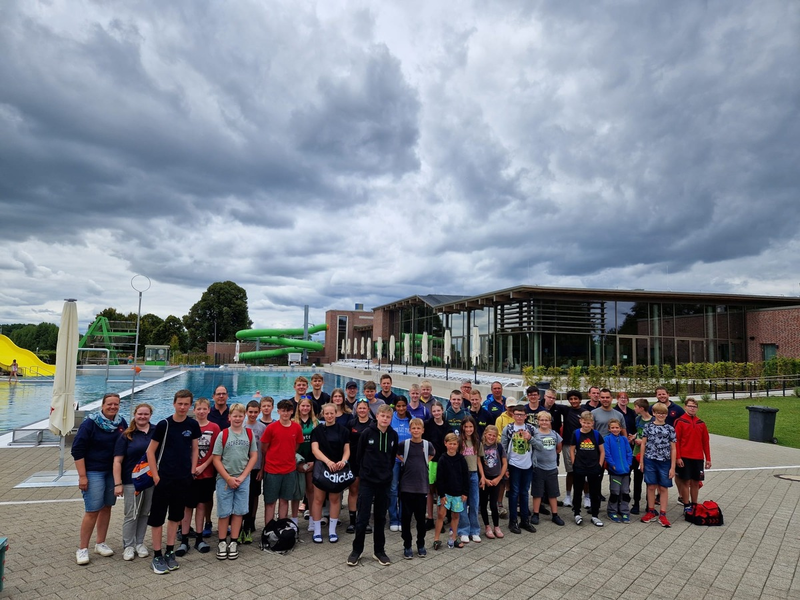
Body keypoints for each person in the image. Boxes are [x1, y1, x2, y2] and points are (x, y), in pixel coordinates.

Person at [146, 389, 201, 574]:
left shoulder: (192, 425)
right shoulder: (164, 425)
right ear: (174, 404)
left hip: (182, 478)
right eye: (180, 404)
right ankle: (157, 555)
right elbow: (150, 452)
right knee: (157, 518)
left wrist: (192, 470)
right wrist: (155, 475)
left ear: (190, 405)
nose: (183, 407)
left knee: (175, 517)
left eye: (186, 404)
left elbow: (195, 449)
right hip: (164, 478)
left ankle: (170, 551)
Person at [72, 392, 128, 565]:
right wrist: (82, 476)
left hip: (112, 472)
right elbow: (77, 450)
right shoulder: (90, 423)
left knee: (106, 507)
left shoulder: (121, 423)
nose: (113, 407)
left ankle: (100, 543)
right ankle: (82, 548)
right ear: (102, 405)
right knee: (92, 510)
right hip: (93, 471)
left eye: (116, 404)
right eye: (109, 404)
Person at [347, 405, 398, 567]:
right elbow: (359, 456)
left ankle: (379, 551)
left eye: (388, 417)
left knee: (381, 518)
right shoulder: (367, 433)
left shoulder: (393, 435)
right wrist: (366, 473)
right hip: (368, 482)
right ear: (377, 416)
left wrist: (386, 474)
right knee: (362, 518)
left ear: (391, 419)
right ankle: (357, 550)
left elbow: (391, 458)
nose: (385, 419)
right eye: (382, 415)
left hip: (384, 482)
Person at [212, 403, 258, 560]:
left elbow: (253, 456)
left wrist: (243, 476)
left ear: (244, 417)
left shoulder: (249, 434)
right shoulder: (223, 435)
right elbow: (216, 459)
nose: (237, 418)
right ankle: (222, 542)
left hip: (243, 479)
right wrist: (228, 478)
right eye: (235, 416)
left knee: (239, 512)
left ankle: (233, 541)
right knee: (224, 512)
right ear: (229, 417)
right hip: (225, 479)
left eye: (240, 416)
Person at [113, 403, 155, 561]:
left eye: (146, 414)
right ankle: (128, 545)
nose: (143, 417)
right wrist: (118, 484)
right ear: (135, 415)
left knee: (145, 513)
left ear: (150, 415)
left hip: (150, 480)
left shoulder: (156, 431)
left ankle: (139, 543)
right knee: (131, 514)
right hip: (131, 480)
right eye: (140, 414)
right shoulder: (126, 435)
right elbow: (117, 461)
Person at [177, 397, 219, 555]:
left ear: (209, 410)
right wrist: (191, 468)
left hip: (206, 473)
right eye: (198, 409)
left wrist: (202, 466)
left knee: (202, 506)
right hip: (189, 474)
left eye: (204, 409)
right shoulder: (188, 426)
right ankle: (185, 539)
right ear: (194, 411)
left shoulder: (214, 428)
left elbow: (215, 451)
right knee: (187, 507)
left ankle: (200, 538)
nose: (201, 412)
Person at [310, 403, 351, 543]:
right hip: (322, 467)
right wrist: (328, 462)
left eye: (331, 413)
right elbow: (315, 450)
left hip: (337, 468)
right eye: (326, 413)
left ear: (336, 413)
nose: (329, 416)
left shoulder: (343, 430)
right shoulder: (317, 431)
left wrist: (343, 461)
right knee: (318, 499)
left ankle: (332, 530)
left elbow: (347, 450)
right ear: (323, 414)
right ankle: (317, 530)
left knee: (335, 499)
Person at [261, 400, 305, 524]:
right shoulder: (271, 428)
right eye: (283, 411)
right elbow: (264, 448)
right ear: (278, 411)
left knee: (285, 500)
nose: (285, 414)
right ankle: (269, 529)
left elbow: (296, 446)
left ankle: (282, 526)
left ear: (292, 412)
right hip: (272, 470)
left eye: (288, 411)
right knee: (270, 502)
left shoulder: (296, 427)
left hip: (289, 470)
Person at [398, 418, 434, 559]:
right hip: (407, 487)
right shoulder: (405, 444)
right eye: (413, 428)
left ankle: (420, 544)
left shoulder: (427, 445)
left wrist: (426, 461)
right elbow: (396, 452)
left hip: (421, 488)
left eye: (419, 428)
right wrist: (403, 460)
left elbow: (433, 453)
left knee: (420, 519)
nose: (416, 431)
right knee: (406, 518)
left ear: (423, 430)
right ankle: (407, 544)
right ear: (409, 430)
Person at [639, 402, 677, 527]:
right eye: (658, 413)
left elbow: (673, 449)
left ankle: (663, 514)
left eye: (663, 413)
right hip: (650, 460)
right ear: (653, 413)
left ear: (666, 415)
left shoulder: (670, 429)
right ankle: (651, 511)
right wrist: (642, 461)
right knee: (651, 486)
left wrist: (672, 467)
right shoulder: (648, 427)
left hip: (664, 462)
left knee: (663, 487)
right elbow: (643, 444)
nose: (661, 415)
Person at [501, 404, 537, 534]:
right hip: (514, 464)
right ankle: (513, 521)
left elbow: (539, 446)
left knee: (524, 492)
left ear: (525, 416)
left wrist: (530, 438)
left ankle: (525, 520)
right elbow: (503, 448)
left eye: (521, 415)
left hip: (527, 465)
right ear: (513, 415)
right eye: (517, 414)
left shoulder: (531, 428)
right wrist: (505, 467)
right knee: (514, 492)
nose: (519, 417)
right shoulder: (509, 429)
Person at [433, 433, 469, 550]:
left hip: (458, 493)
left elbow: (465, 477)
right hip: (446, 494)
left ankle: (453, 537)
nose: (452, 446)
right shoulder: (442, 459)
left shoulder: (461, 459)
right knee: (441, 514)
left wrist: (465, 492)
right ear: (445, 444)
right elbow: (439, 478)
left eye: (454, 444)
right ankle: (436, 539)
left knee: (455, 515)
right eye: (450, 444)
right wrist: (442, 494)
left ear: (458, 445)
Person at [674, 398, 711, 511]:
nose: (692, 408)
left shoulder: (701, 423)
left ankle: (694, 504)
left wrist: (708, 459)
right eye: (690, 406)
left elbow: (705, 442)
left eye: (694, 407)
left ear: (697, 408)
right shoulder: (680, 422)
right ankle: (686, 504)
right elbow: (676, 441)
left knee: (695, 482)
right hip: (684, 458)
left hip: (698, 458)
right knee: (685, 481)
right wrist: (678, 457)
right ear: (685, 407)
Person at [570, 411, 604, 527]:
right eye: (584, 423)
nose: (586, 425)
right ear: (580, 422)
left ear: (592, 423)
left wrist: (600, 464)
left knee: (595, 492)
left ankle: (595, 515)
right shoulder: (576, 433)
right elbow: (572, 449)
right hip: (580, 466)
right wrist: (574, 463)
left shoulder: (596, 434)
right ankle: (577, 513)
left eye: (588, 423)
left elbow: (602, 451)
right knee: (578, 490)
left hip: (593, 467)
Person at [530, 412, 565, 526]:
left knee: (552, 492)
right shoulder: (535, 434)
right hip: (538, 468)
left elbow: (559, 447)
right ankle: (536, 514)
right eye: (542, 420)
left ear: (550, 422)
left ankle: (555, 514)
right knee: (537, 493)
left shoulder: (554, 434)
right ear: (538, 421)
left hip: (551, 468)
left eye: (546, 420)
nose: (544, 422)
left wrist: (552, 456)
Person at [345, 398, 374, 533]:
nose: (362, 410)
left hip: (368, 463)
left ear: (368, 409)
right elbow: (346, 443)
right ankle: (352, 521)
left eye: (364, 408)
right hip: (354, 462)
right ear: (356, 410)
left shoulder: (374, 424)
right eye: (360, 408)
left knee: (365, 493)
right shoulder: (351, 424)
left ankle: (365, 521)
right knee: (354, 491)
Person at [423, 401, 452, 530]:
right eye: (434, 411)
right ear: (431, 412)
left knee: (442, 492)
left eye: (438, 411)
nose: (436, 413)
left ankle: (441, 518)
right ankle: (430, 518)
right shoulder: (427, 425)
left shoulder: (447, 426)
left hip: (443, 461)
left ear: (442, 411)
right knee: (430, 490)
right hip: (431, 461)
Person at [456, 416, 484, 543]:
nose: (468, 429)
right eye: (466, 426)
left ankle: (475, 530)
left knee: (474, 503)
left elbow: (478, 460)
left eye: (470, 427)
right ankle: (463, 530)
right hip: (461, 476)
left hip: (473, 475)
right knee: (462, 504)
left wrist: (482, 476)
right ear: (462, 427)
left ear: (474, 428)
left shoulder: (477, 442)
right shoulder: (458, 442)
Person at [242, 400, 267, 542]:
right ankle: (242, 522)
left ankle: (250, 521)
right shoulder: (241, 424)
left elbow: (264, 451)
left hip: (256, 467)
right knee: (243, 496)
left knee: (254, 495)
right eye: (250, 412)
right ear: (246, 412)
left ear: (259, 412)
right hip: (242, 468)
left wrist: (262, 469)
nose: (252, 414)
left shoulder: (262, 428)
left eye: (255, 412)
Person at [479, 425, 507, 539]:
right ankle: (487, 526)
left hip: (496, 479)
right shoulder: (481, 446)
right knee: (484, 504)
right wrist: (484, 478)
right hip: (485, 479)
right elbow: (479, 463)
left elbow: (505, 463)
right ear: (485, 434)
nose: (491, 437)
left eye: (494, 436)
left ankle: (496, 526)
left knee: (494, 504)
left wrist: (499, 478)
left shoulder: (499, 446)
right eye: (489, 435)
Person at [389, 397, 412, 531]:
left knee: (405, 490)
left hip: (408, 461)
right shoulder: (391, 419)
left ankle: (404, 517)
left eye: (403, 406)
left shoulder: (411, 419)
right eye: (398, 406)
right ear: (395, 407)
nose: (401, 408)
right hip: (394, 461)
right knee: (392, 490)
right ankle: (393, 518)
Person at [293, 397, 318, 520]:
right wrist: (296, 462)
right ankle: (294, 520)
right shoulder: (293, 422)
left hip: (311, 460)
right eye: (303, 406)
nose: (305, 408)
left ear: (311, 408)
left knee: (311, 490)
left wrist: (314, 461)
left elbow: (319, 444)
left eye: (307, 406)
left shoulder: (315, 423)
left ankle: (313, 519)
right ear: (298, 407)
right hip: (297, 461)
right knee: (296, 491)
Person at [604, 418, 633, 523]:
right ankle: (612, 511)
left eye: (617, 427)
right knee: (615, 492)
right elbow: (607, 453)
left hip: (625, 470)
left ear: (620, 428)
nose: (615, 429)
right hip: (615, 471)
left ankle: (624, 511)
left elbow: (629, 452)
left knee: (625, 492)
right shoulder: (607, 439)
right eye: (612, 428)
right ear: (609, 429)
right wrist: (612, 464)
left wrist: (629, 463)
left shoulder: (624, 439)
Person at [561, 390, 584, 509]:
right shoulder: (566, 410)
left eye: (576, 399)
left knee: (584, 472)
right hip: (568, 445)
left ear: (580, 400)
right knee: (570, 471)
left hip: (582, 446)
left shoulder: (585, 412)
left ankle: (587, 497)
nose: (573, 401)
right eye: (571, 399)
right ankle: (568, 496)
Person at [630, 398, 653, 514]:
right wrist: (634, 437)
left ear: (641, 408)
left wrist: (643, 442)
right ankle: (636, 503)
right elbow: (639, 432)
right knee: (637, 480)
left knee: (649, 481)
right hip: (637, 453)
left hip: (649, 454)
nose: (634, 409)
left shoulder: (653, 421)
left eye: (636, 406)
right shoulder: (637, 419)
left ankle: (650, 505)